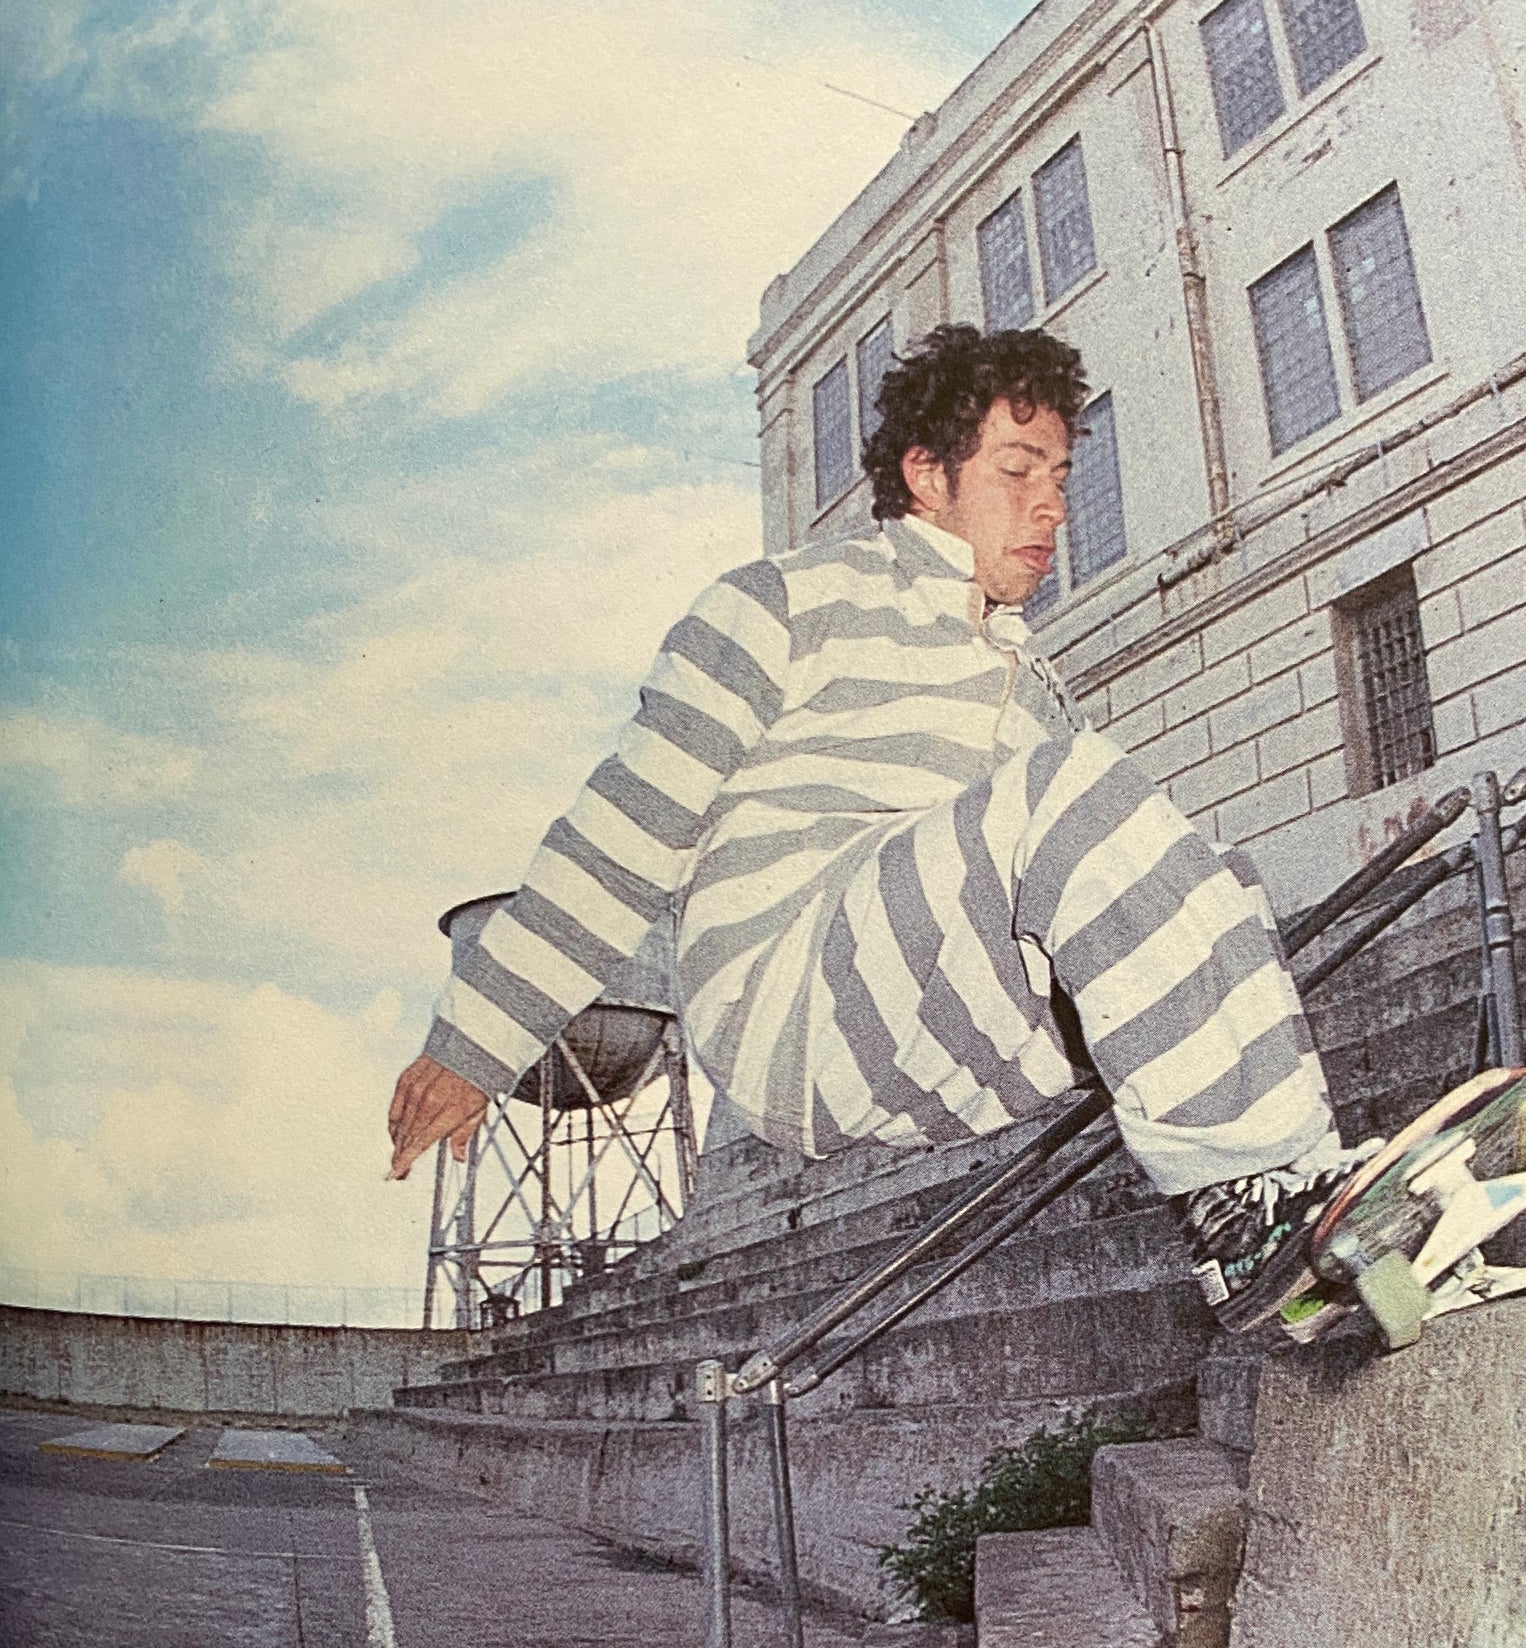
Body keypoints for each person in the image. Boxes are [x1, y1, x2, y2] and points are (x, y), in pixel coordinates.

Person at [387, 323, 1375, 1333]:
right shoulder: (784, 603)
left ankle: (1320, 1221)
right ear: (927, 476)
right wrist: (475, 1044)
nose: (1051, 506)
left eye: (1061, 478)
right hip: (789, 990)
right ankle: (1241, 1208)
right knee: (1077, 789)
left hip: (941, 1033)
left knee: (1216, 882)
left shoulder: (1032, 685)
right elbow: (627, 832)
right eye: (1016, 471)